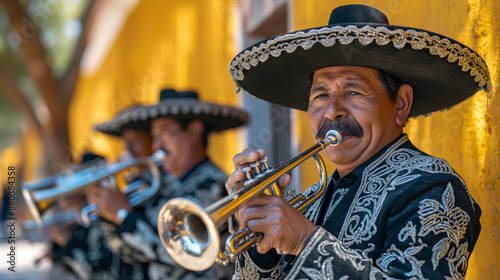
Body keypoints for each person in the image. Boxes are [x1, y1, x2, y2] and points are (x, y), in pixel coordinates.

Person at [226, 4, 490, 279]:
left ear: (401, 104)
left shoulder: (432, 186)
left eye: (353, 91)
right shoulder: (314, 198)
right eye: (320, 95)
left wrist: (305, 241)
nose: (332, 111)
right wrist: (261, 243)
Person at [88, 89, 249, 279]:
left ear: (193, 132)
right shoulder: (156, 181)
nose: (156, 144)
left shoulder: (214, 183)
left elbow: (176, 252)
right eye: (154, 136)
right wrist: (109, 216)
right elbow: (132, 254)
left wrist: (122, 215)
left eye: (164, 132)